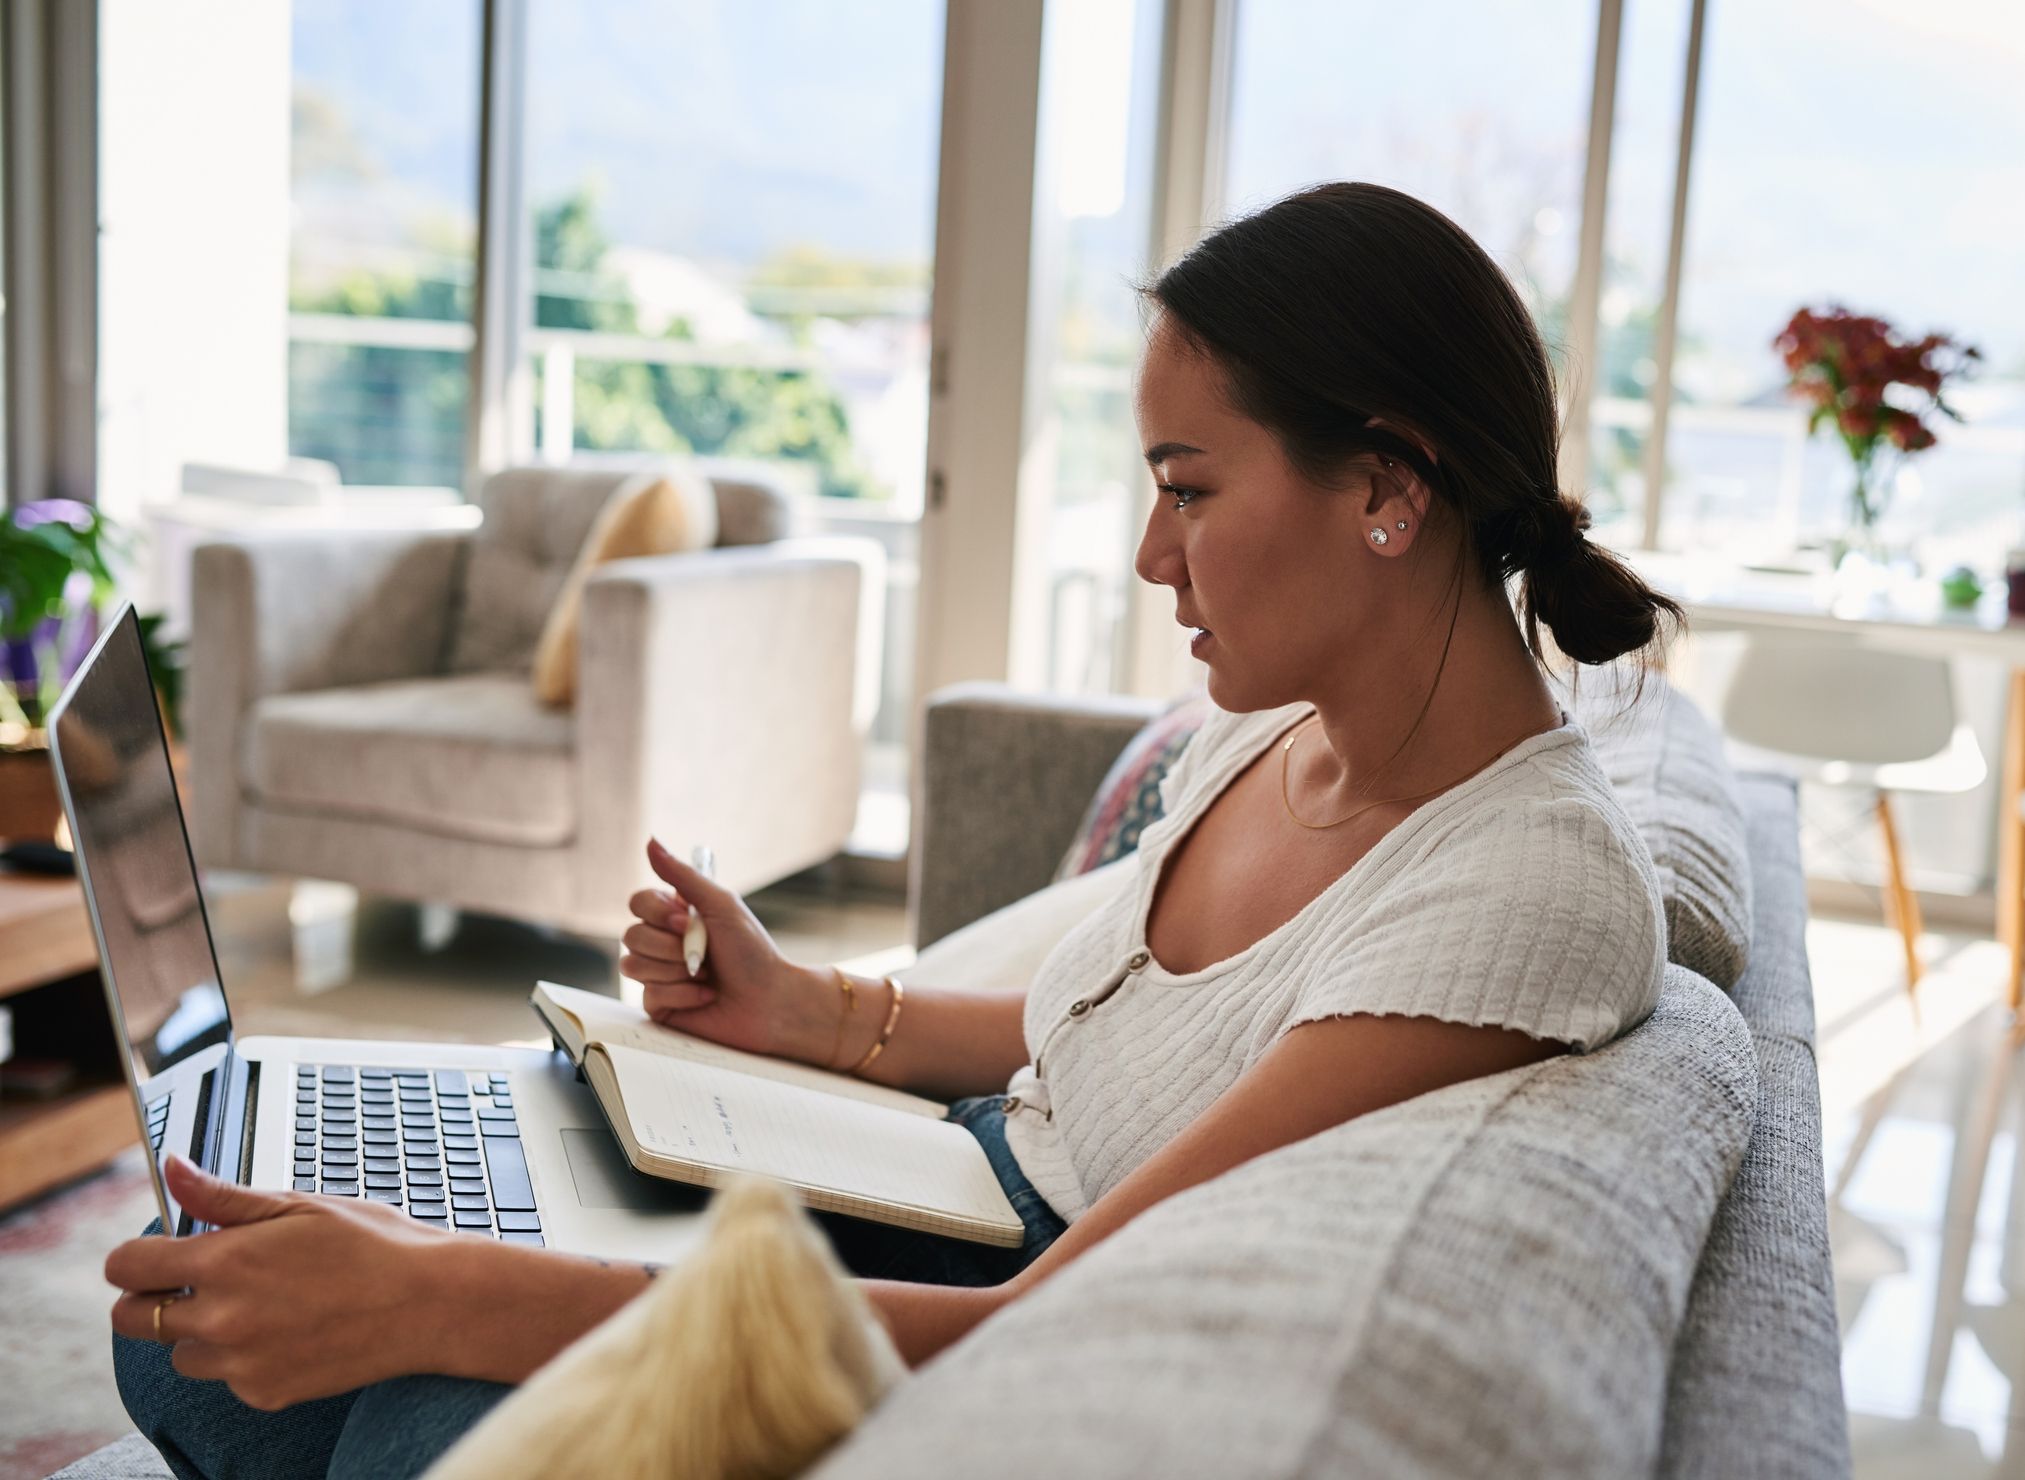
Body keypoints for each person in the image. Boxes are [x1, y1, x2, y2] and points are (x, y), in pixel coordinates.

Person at [108, 181, 1681, 1478]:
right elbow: (1125, 1022)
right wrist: (803, 1010)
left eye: (1187, 490)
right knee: (189, 1322)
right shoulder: (1273, 736)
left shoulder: (1522, 886)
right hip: (943, 1181)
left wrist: (447, 1297)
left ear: (1387, 486)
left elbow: (1044, 1319)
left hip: (990, 1290)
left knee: (379, 1404)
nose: (1148, 555)